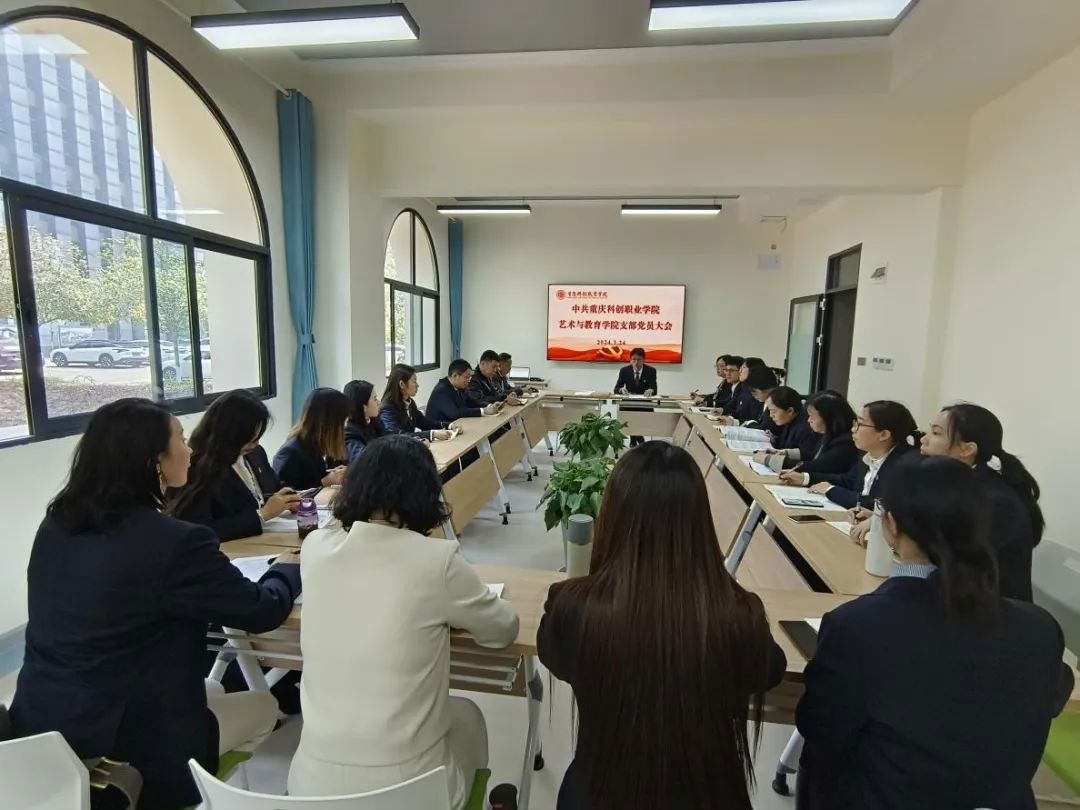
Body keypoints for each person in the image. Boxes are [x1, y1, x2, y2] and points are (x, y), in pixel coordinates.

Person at [9, 398, 301, 810]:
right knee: (263, 705)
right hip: (133, 746)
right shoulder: (174, 542)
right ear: (155, 462)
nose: (190, 450)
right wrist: (286, 570)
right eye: (181, 439)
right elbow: (261, 610)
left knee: (214, 686)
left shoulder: (57, 523)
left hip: (43, 728)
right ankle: (195, 796)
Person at [796, 456, 1074, 810]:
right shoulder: (1040, 627)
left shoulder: (856, 626)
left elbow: (820, 728)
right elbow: (1051, 695)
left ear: (890, 525)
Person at [537, 441, 786, 810]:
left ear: (613, 514)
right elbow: (769, 671)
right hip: (710, 797)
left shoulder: (573, 607)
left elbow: (555, 657)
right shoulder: (738, 615)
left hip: (598, 794)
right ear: (700, 522)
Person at [288, 435, 519, 809]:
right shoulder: (436, 560)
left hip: (308, 790)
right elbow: (503, 630)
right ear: (426, 494)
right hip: (411, 795)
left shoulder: (315, 547)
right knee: (469, 716)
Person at [920, 403, 1044, 602]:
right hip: (959, 599)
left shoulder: (995, 503)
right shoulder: (961, 484)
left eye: (936, 433)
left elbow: (955, 563)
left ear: (967, 449)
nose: (924, 439)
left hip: (993, 610)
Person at [169, 390, 300, 542]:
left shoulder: (256, 453)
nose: (255, 444)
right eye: (249, 438)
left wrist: (288, 500)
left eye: (257, 437)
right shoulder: (196, 467)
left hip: (269, 539)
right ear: (229, 433)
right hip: (234, 549)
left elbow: (274, 487)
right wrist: (262, 515)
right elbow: (201, 529)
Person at [781, 400, 919, 512]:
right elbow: (847, 481)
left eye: (860, 424)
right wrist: (805, 478)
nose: (853, 429)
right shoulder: (867, 455)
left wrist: (830, 490)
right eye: (855, 423)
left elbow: (877, 505)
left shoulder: (904, 465)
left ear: (884, 434)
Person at [273, 387, 349, 490]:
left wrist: (332, 474)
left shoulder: (313, 447)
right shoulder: (290, 454)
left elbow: (311, 477)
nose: (345, 426)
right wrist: (324, 481)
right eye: (343, 422)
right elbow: (287, 495)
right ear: (329, 423)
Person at [776, 390, 859, 474]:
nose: (809, 420)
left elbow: (817, 467)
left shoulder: (845, 443)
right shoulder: (826, 435)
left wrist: (777, 461)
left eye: (812, 416)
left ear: (829, 417)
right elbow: (810, 456)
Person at [380, 363, 454, 442]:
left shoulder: (410, 403)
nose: (417, 385)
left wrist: (449, 425)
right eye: (414, 381)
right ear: (402, 384)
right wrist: (432, 434)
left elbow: (424, 423)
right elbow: (398, 436)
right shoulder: (387, 408)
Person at [752, 386, 817, 467]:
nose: (771, 415)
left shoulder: (805, 428)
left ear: (790, 411)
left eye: (773, 411)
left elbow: (805, 457)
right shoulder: (789, 420)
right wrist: (773, 439)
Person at [427, 359, 500, 425]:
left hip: (457, 426)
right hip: (440, 431)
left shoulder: (460, 387)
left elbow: (472, 402)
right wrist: (484, 411)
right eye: (466, 377)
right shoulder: (441, 390)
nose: (469, 380)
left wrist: (489, 406)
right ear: (455, 375)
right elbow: (455, 413)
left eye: (470, 377)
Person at [344, 379, 386, 463]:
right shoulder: (350, 434)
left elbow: (390, 438)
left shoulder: (375, 421)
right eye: (375, 399)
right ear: (364, 407)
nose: (379, 403)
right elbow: (366, 461)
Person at [741, 365, 780, 430]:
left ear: (765, 387)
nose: (753, 396)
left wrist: (748, 423)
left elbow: (764, 428)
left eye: (755, 392)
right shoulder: (766, 399)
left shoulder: (777, 401)